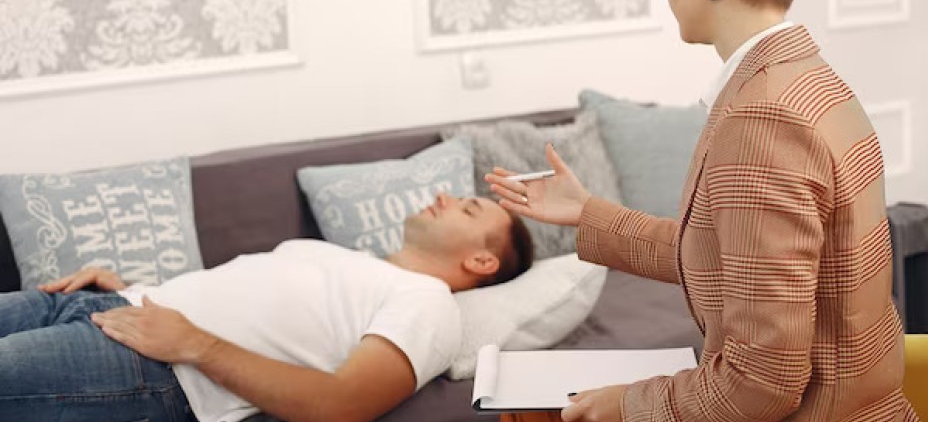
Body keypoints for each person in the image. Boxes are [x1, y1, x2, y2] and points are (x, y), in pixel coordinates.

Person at [486, 0, 919, 421]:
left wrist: (627, 403)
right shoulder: (809, 80)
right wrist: (587, 213)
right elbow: (730, 259)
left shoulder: (763, 118)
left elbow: (760, 383)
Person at [0, 192, 534, 422]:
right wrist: (134, 286)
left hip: (154, 366)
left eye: (467, 209)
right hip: (113, 305)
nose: (443, 198)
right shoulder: (346, 261)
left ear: (484, 261)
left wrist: (194, 345)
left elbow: (343, 406)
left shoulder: (429, 304)